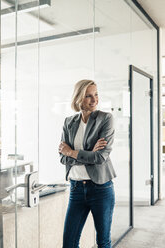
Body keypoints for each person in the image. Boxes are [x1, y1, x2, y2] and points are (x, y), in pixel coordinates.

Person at [58, 79, 116, 248]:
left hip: (101, 188)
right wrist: (88, 153)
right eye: (88, 96)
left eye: (96, 94)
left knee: (103, 241)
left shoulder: (105, 119)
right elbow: (62, 158)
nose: (94, 100)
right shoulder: (69, 122)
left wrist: (71, 152)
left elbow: (100, 157)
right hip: (76, 188)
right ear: (78, 99)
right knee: (69, 243)